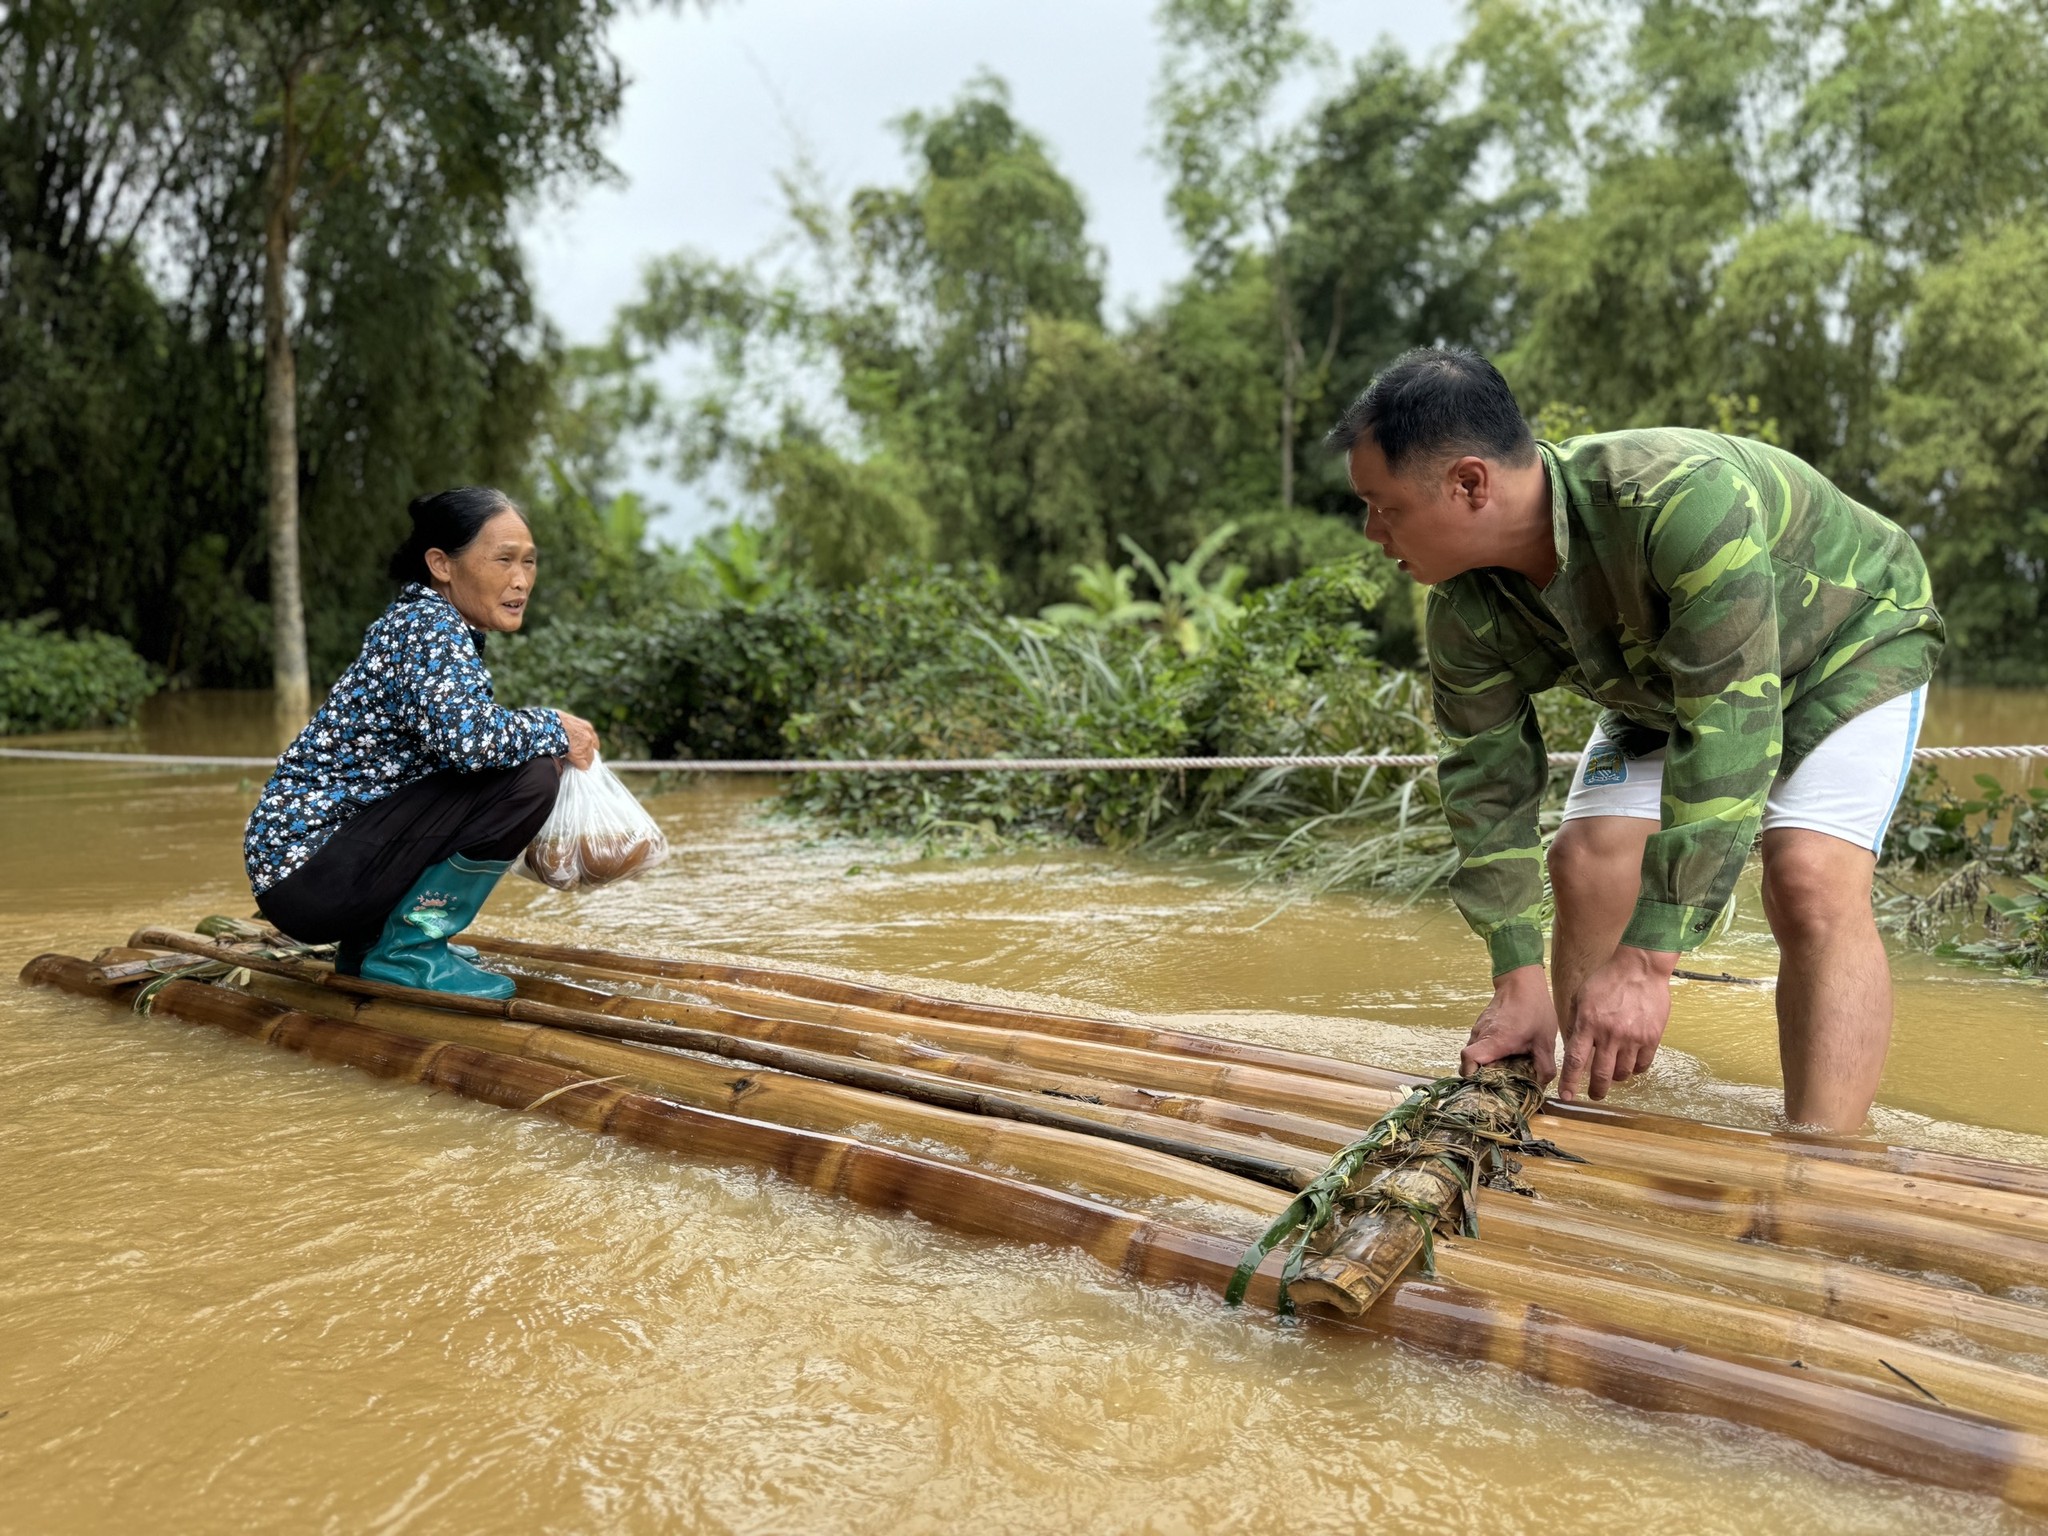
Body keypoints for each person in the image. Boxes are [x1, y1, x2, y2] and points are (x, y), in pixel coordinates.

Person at [1327, 348, 1944, 1132]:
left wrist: (1651, 959)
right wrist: (1516, 975)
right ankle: (1599, 1118)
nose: (1373, 532)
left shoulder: (1679, 501)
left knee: (1807, 880)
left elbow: (1730, 728)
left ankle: (1818, 1166)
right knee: (1585, 861)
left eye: (1384, 507)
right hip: (1661, 682)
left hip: (1848, 645)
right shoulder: (1462, 611)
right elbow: (1487, 782)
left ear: (1470, 483)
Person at [244, 487, 600, 1000]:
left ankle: (371, 945)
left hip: (315, 875)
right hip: (311, 874)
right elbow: (472, 744)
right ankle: (409, 949)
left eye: (528, 562)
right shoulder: (427, 628)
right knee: (530, 775)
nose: (520, 580)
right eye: (502, 560)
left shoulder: (430, 625)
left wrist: (537, 732)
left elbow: (456, 748)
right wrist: (553, 727)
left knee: (518, 761)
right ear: (441, 564)